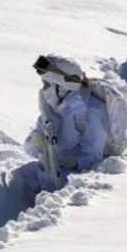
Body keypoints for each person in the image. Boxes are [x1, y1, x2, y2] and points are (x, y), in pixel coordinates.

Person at [23, 54, 110, 190]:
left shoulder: (92, 111)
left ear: (61, 86)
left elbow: (95, 157)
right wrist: (35, 141)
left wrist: (73, 162)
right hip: (48, 177)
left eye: (47, 84)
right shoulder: (52, 108)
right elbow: (30, 150)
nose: (43, 90)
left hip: (76, 186)